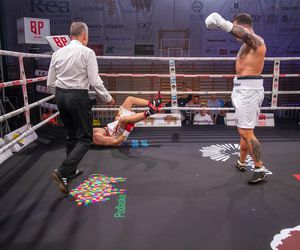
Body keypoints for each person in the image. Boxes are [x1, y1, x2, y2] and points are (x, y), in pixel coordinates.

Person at [47, 22, 115, 194]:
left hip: (61, 96)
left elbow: (49, 83)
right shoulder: (87, 52)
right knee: (85, 139)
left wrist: (60, 96)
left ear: (71, 35)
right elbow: (94, 80)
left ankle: (69, 173)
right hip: (77, 97)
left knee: (71, 135)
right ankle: (63, 170)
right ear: (84, 35)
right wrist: (107, 98)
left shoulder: (57, 53)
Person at [205, 12, 267, 184]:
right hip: (243, 88)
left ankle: (259, 167)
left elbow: (244, 34)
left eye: (235, 26)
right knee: (244, 129)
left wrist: (222, 23)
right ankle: (241, 161)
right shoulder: (247, 45)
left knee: (246, 131)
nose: (235, 33)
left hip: (249, 90)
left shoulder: (256, 40)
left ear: (242, 25)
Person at [93, 94, 162, 146]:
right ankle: (151, 112)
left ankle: (154, 103)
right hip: (116, 135)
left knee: (129, 99)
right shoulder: (96, 137)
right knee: (123, 120)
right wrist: (127, 131)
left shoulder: (91, 131)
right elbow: (115, 142)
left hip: (112, 127)